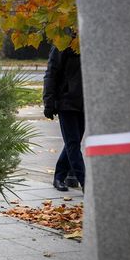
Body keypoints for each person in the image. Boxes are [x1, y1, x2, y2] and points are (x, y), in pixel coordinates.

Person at [43, 44, 85, 191]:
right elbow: (51, 73)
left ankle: (59, 177)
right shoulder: (62, 43)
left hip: (83, 103)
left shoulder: (89, 41)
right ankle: (86, 183)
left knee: (73, 142)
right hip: (66, 102)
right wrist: (49, 102)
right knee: (73, 143)